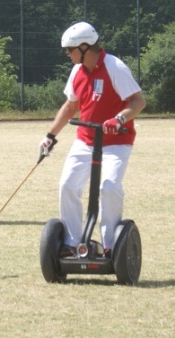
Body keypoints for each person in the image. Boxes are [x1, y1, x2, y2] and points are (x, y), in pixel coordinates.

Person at [38, 21, 145, 258]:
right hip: (85, 140)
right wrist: (50, 136)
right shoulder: (77, 71)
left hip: (117, 142)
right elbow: (70, 105)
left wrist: (118, 119)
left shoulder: (114, 67)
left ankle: (110, 246)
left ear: (85, 47)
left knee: (109, 187)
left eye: (70, 49)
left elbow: (138, 101)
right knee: (67, 185)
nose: (67, 54)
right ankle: (72, 242)